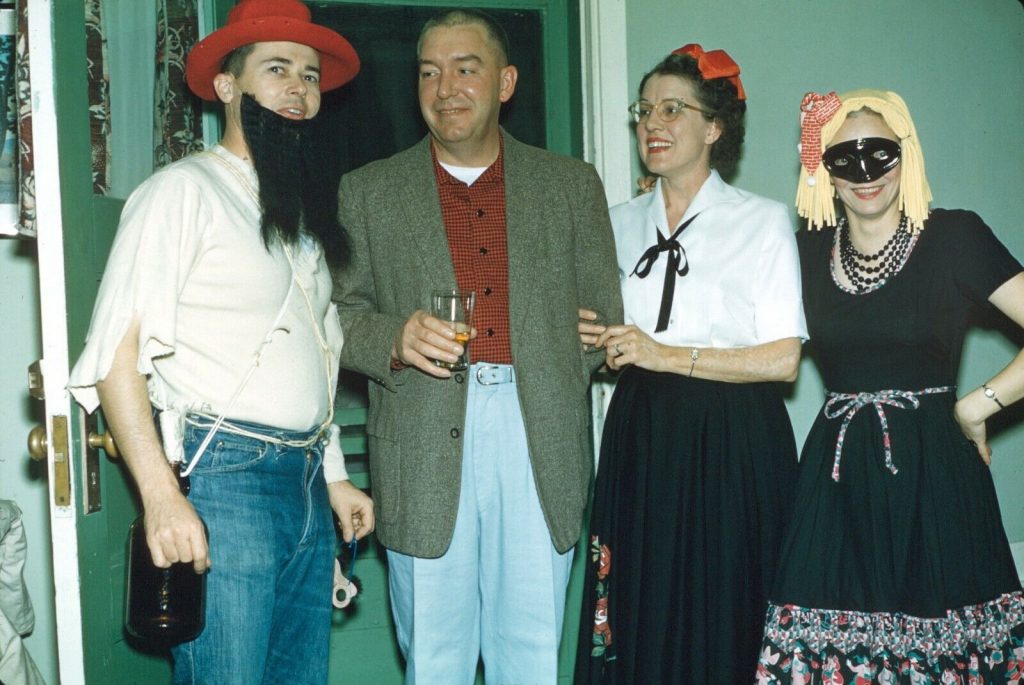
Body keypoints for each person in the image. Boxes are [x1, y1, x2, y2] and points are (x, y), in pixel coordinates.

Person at [67, 1, 374, 682]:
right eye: (276, 69)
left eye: (309, 74)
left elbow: (317, 356)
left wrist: (333, 477)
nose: (298, 88)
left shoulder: (298, 212)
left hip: (300, 485)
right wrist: (161, 496)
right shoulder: (181, 192)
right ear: (229, 85)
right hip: (226, 477)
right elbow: (116, 354)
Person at [333, 8, 622, 683]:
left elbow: (602, 318)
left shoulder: (571, 186)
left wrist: (558, 352)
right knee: (435, 659)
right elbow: (337, 318)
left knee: (530, 657)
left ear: (506, 82)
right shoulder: (368, 191)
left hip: (538, 436)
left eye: (466, 69)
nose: (445, 87)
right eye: (429, 72)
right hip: (422, 441)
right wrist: (396, 336)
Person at [757, 89, 1024, 683]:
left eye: (879, 152)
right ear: (822, 171)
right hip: (835, 480)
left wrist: (982, 403)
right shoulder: (800, 252)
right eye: (843, 157)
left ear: (907, 156)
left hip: (937, 476)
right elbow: (736, 330)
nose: (864, 173)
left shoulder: (955, 237)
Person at [574, 45, 807, 684]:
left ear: (713, 127)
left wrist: (664, 353)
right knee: (640, 603)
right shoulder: (615, 224)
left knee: (728, 604)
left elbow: (784, 359)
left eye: (673, 109)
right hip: (642, 436)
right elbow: (605, 349)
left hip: (734, 438)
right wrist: (592, 344)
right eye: (645, 109)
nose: (653, 122)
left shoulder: (760, 221)